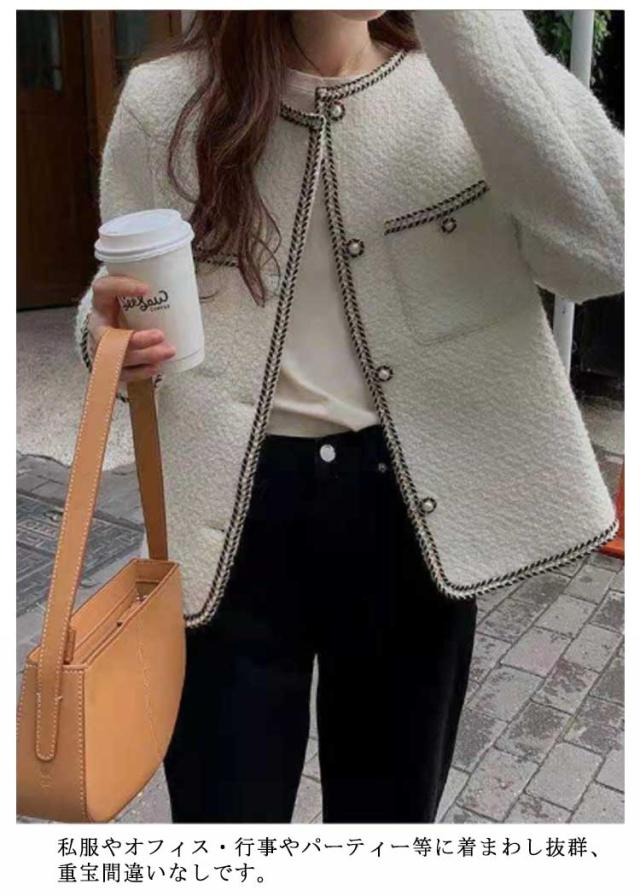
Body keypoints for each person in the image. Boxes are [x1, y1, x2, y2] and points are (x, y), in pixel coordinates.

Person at [74, 10, 624, 823]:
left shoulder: (467, 88)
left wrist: (476, 31)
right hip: (227, 523)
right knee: (225, 820)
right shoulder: (167, 101)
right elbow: (111, 294)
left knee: (389, 822)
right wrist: (107, 333)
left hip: (411, 514)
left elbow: (603, 252)